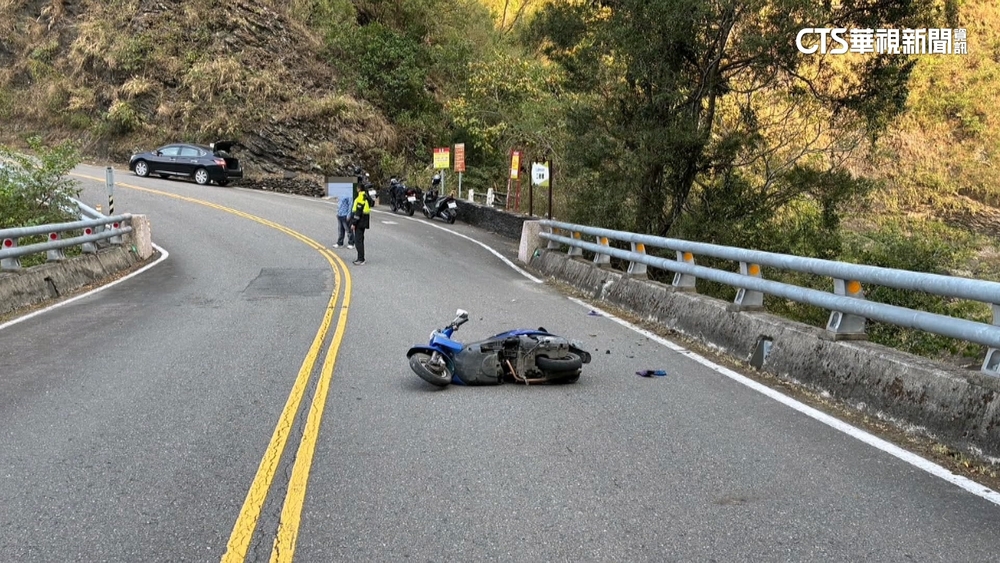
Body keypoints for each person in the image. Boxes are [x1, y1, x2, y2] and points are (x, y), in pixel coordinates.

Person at [350, 186, 376, 265]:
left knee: (358, 241)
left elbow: (358, 212)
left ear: (359, 189)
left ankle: (361, 259)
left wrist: (354, 223)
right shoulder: (366, 196)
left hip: (360, 222)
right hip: (364, 221)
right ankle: (361, 258)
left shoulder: (360, 198)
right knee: (360, 240)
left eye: (357, 188)